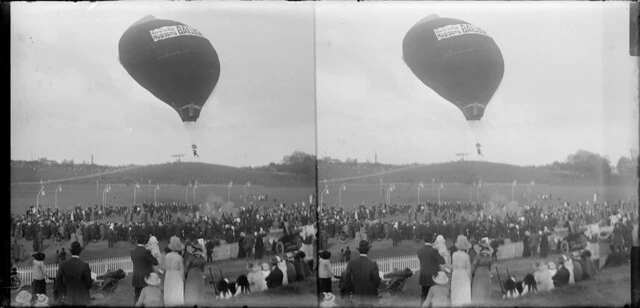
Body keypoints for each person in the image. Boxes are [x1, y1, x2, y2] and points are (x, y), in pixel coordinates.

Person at [341, 240, 381, 307]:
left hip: (356, 296)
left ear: (359, 250)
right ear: (368, 250)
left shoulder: (351, 263)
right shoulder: (373, 264)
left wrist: (352, 290)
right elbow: (376, 282)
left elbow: (346, 280)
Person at [55, 241, 93, 306]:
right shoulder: (84, 265)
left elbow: (58, 279)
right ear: (80, 252)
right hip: (82, 298)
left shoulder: (64, 264)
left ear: (71, 252)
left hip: (68, 297)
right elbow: (88, 284)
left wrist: (64, 290)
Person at [131, 233, 159, 305]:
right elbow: (155, 262)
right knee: (146, 296)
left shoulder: (133, 252)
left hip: (136, 276)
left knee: (137, 295)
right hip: (145, 277)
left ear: (137, 241)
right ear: (145, 242)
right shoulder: (146, 252)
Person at [418, 234, 446, 304]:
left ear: (424, 240)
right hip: (432, 276)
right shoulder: (434, 251)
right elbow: (442, 261)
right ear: (432, 240)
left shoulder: (419, 251)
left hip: (423, 275)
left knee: (424, 294)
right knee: (432, 295)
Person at [451, 235, 472, 306]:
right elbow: (469, 269)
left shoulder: (454, 254)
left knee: (456, 291)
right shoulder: (466, 256)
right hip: (463, 274)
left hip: (456, 273)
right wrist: (470, 279)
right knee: (463, 292)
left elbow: (453, 266)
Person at [164, 236, 185, 306]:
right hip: (176, 275)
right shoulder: (179, 257)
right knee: (176, 293)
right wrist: (183, 279)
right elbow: (182, 270)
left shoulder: (167, 255)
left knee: (168, 291)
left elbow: (165, 266)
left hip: (168, 274)